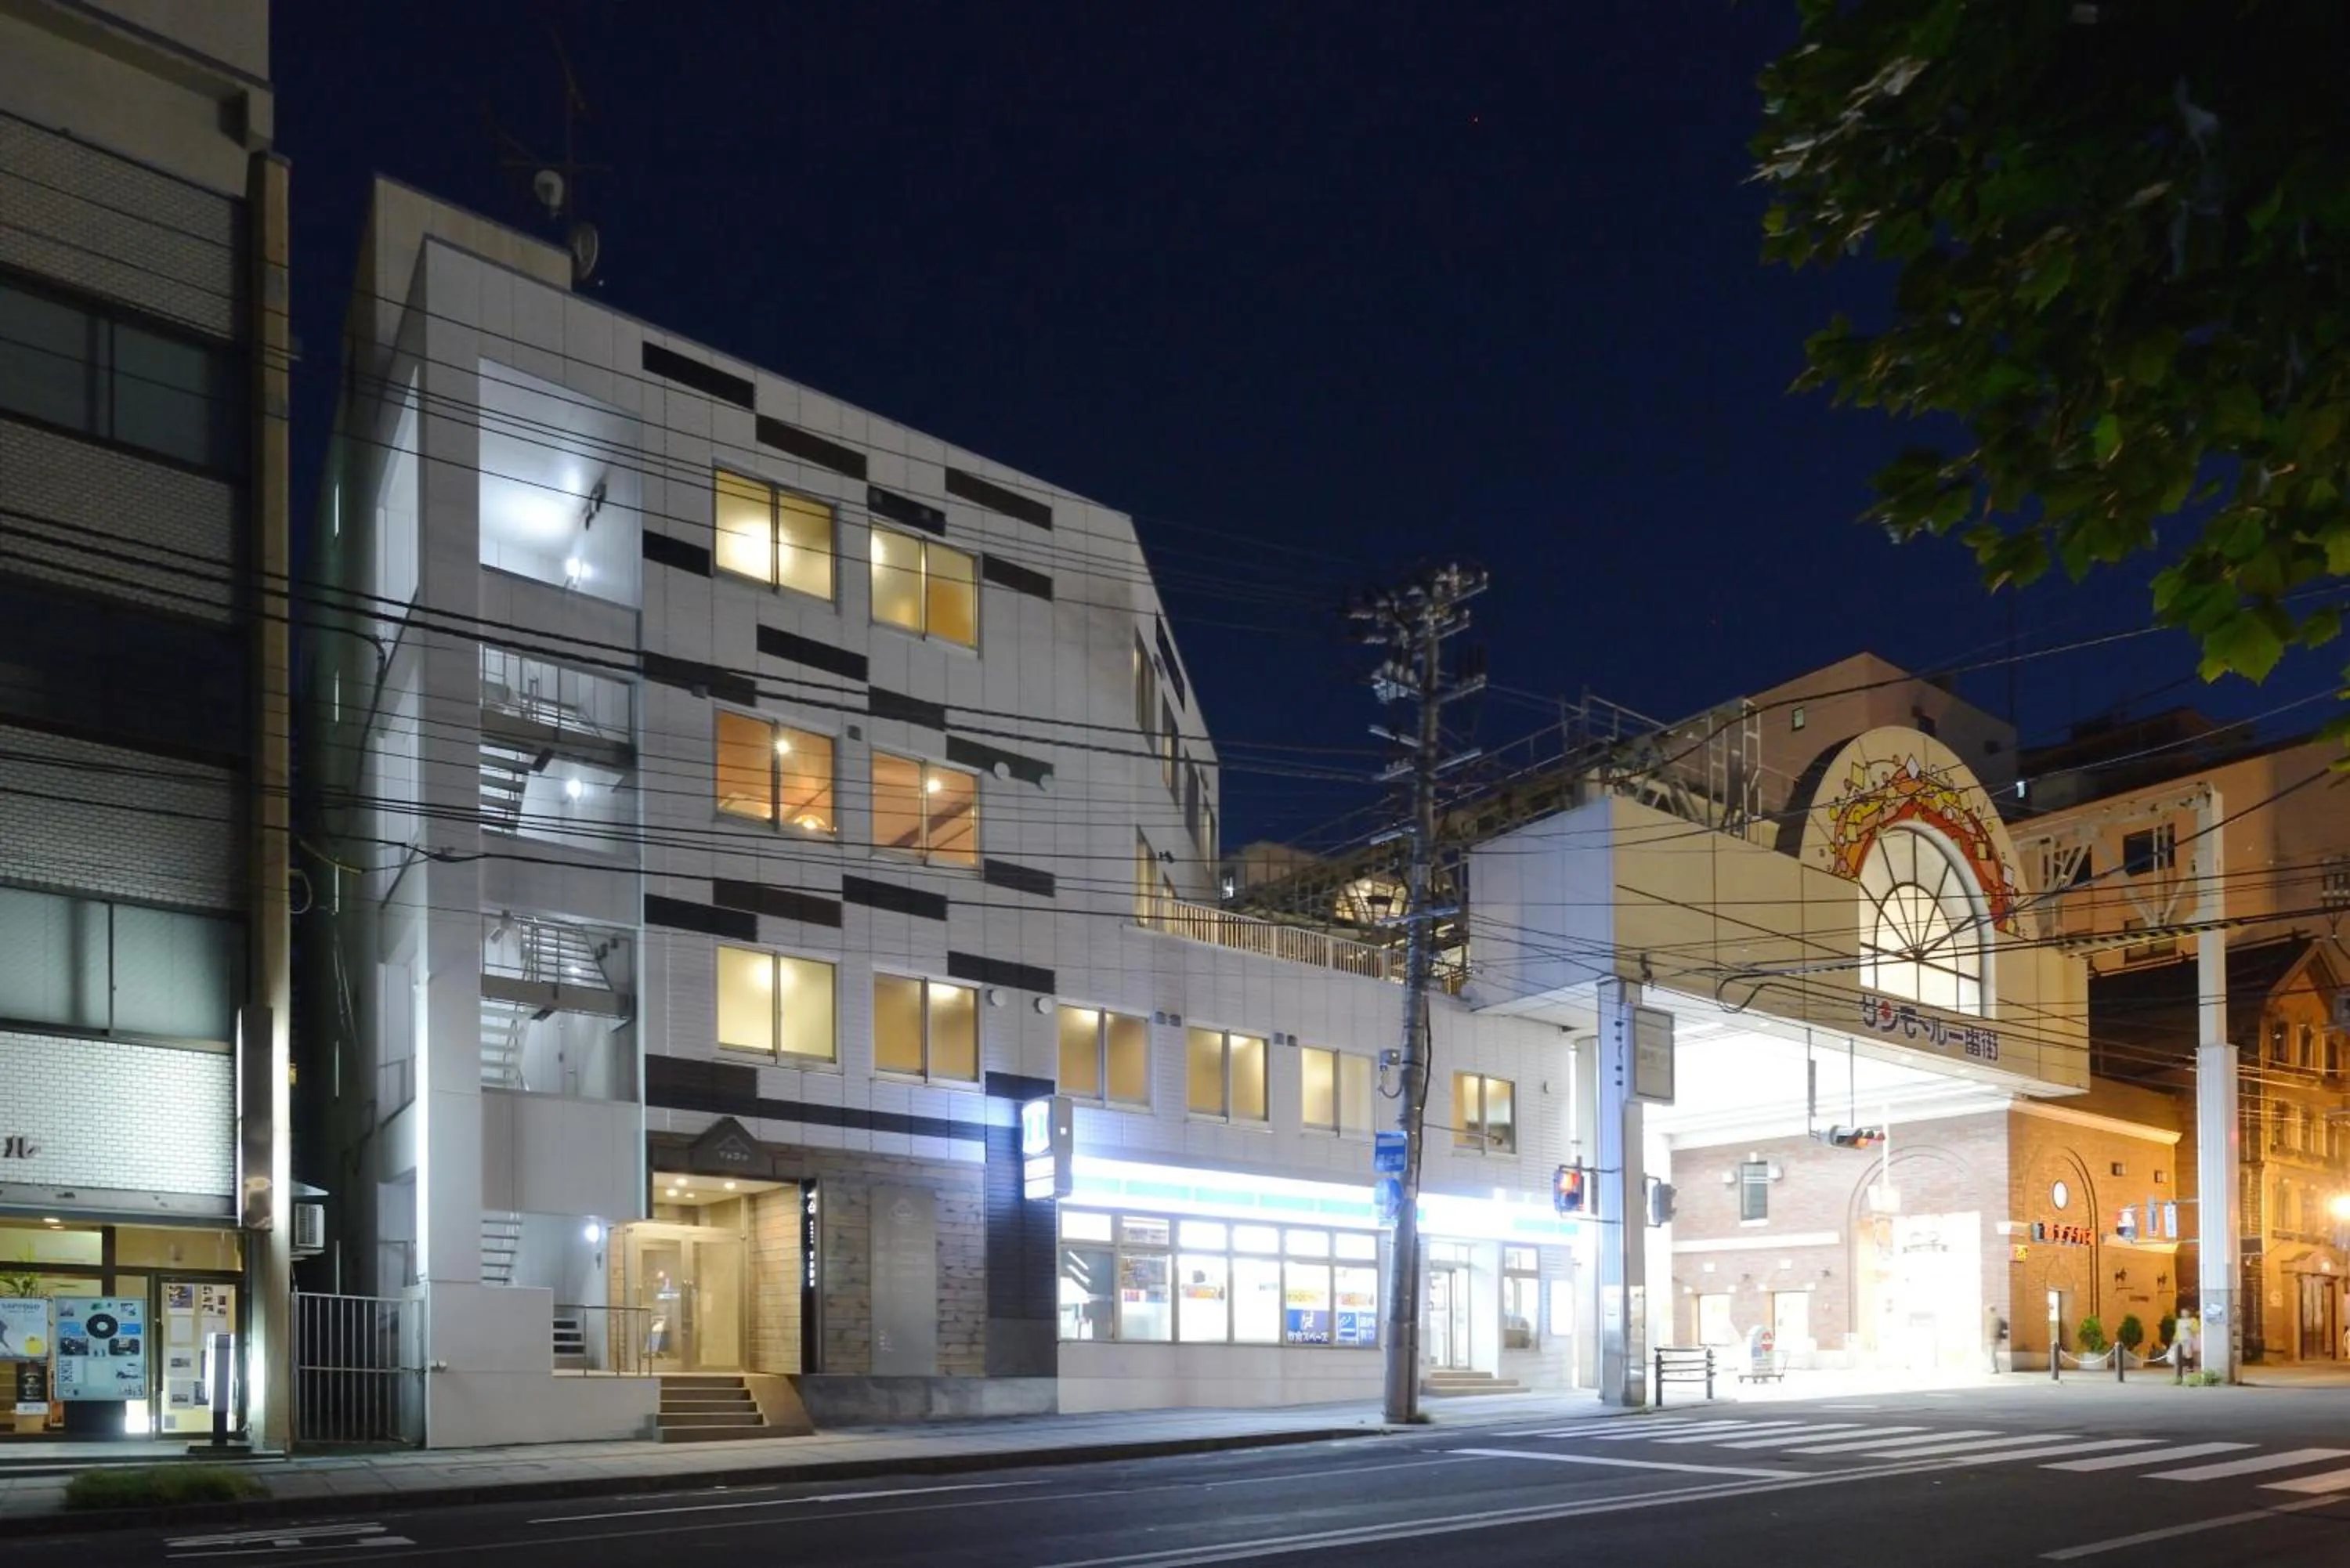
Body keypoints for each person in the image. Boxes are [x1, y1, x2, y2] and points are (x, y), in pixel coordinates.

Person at [1986, 1305, 2009, 1373]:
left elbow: (1995, 1330)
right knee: (1992, 1354)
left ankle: (1995, 1368)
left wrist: (1999, 1334)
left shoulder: (1995, 1318)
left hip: (1993, 1339)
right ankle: (1994, 1368)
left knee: (1992, 1354)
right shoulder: (1996, 1318)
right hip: (1993, 1339)